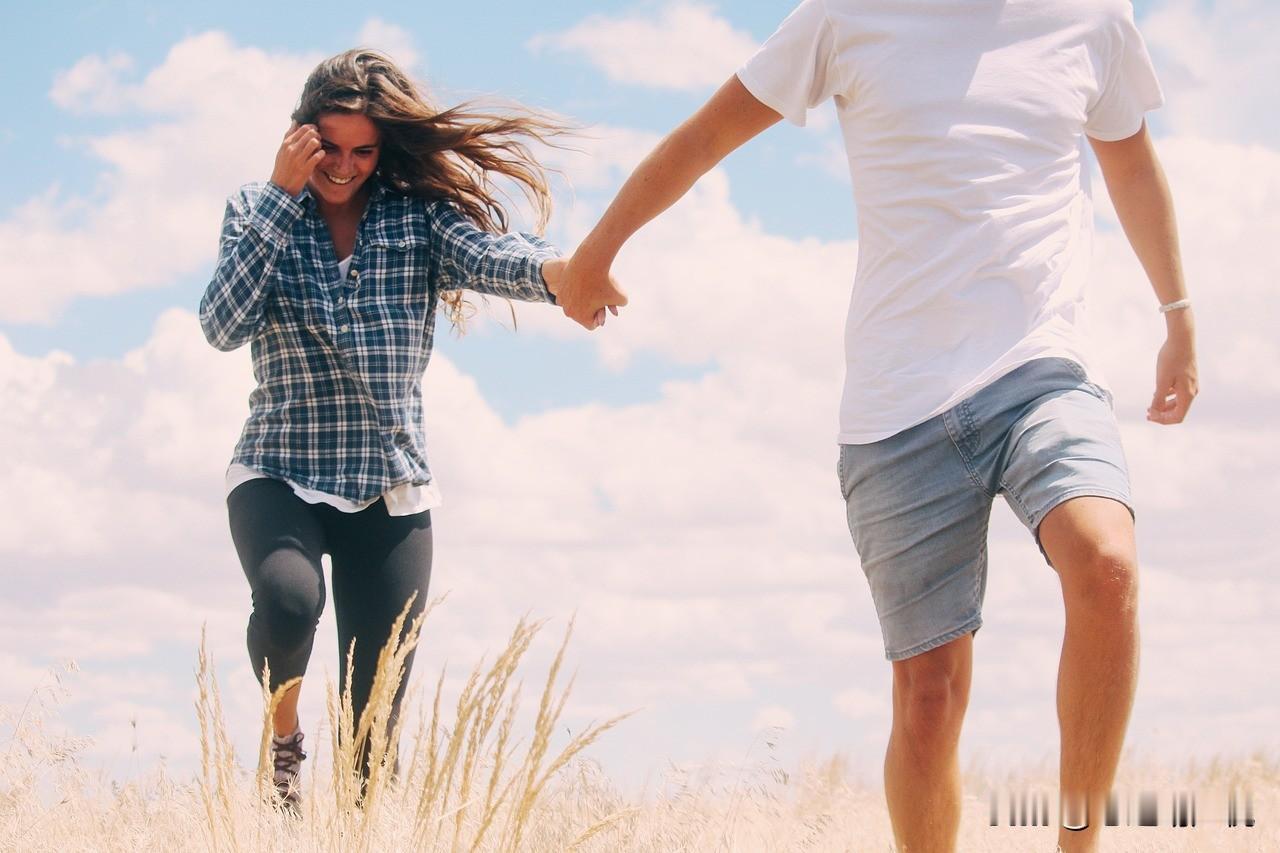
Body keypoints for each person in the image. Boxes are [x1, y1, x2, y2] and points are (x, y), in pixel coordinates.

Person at [554, 1, 1196, 850]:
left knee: (1107, 565)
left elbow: (1131, 165)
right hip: (898, 405)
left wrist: (1178, 314)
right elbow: (706, 138)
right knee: (929, 696)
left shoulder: (1089, 19)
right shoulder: (844, 16)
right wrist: (596, 252)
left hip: (1041, 368)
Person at [198, 49, 598, 812]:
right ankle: (284, 741)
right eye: (328, 147)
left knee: (371, 740)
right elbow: (221, 324)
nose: (345, 166)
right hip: (280, 466)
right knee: (286, 602)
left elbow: (495, 257)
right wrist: (285, 197)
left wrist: (566, 274)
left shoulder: (416, 221)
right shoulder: (256, 210)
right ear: (298, 137)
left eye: (363, 150)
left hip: (389, 484)